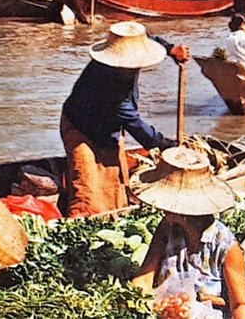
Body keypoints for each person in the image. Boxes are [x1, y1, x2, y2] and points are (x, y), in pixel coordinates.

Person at [60, 21, 189, 217]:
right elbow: (135, 124)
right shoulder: (111, 85)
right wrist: (166, 145)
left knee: (114, 191)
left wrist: (171, 49)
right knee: (86, 195)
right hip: (80, 129)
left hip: (108, 130)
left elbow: (148, 40)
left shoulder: (129, 54)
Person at [131, 147, 245, 319]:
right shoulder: (167, 228)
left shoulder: (226, 246)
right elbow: (145, 277)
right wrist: (135, 300)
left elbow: (240, 304)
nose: (162, 208)